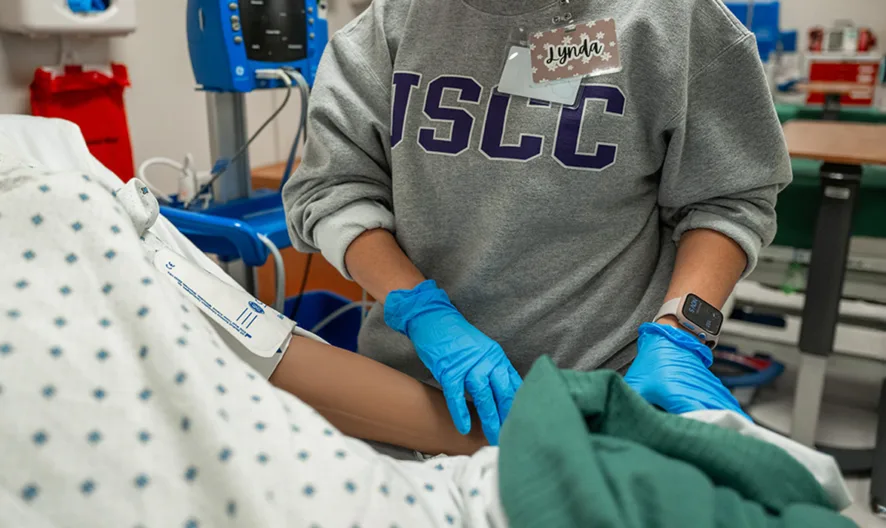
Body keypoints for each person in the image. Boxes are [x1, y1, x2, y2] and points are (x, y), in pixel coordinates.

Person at [283, 0, 792, 443]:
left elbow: (728, 197)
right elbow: (333, 189)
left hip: (605, 393)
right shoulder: (391, 25)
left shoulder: (674, 22)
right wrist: (420, 311)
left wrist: (682, 334)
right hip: (418, 391)